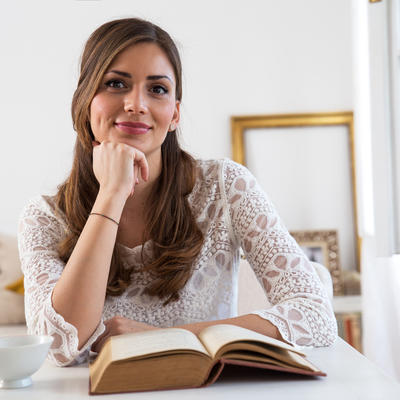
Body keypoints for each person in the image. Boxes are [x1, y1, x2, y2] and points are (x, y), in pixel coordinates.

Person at [17, 18, 337, 366]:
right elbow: (61, 345)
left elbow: (315, 315)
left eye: (157, 89)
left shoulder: (225, 186)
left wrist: (166, 338)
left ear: (175, 114)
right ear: (85, 102)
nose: (136, 104)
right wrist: (111, 194)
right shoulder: (45, 217)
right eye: (115, 84)